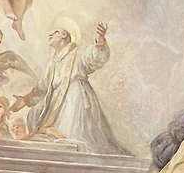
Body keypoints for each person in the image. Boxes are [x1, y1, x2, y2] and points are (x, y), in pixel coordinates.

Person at [20, 23, 126, 155]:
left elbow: (96, 57)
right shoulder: (53, 62)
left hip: (75, 97)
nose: (50, 34)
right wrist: (26, 100)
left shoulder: (78, 52)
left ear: (64, 35)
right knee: (35, 114)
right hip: (56, 102)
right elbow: (43, 86)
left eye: (55, 32)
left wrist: (100, 41)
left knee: (73, 134)